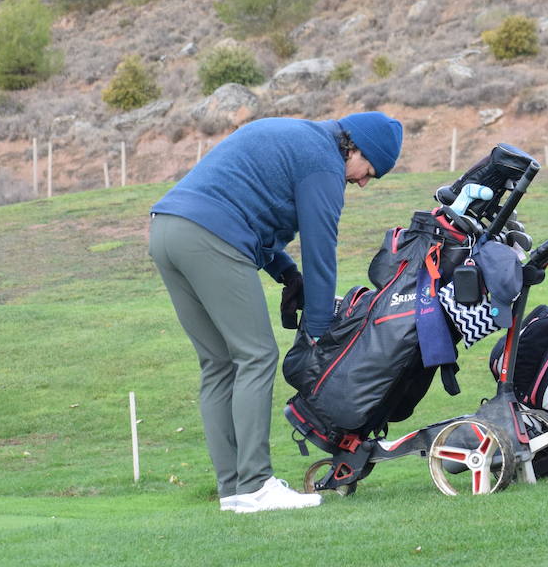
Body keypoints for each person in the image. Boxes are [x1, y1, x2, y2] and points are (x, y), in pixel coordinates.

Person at [149, 112, 404, 512]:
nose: (363, 181)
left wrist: (286, 273)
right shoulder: (324, 162)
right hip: (210, 238)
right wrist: (318, 330)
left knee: (218, 364)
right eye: (369, 169)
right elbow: (322, 253)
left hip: (167, 231)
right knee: (256, 355)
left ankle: (234, 490)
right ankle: (255, 486)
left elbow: (249, 207)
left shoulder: (297, 135)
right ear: (354, 148)